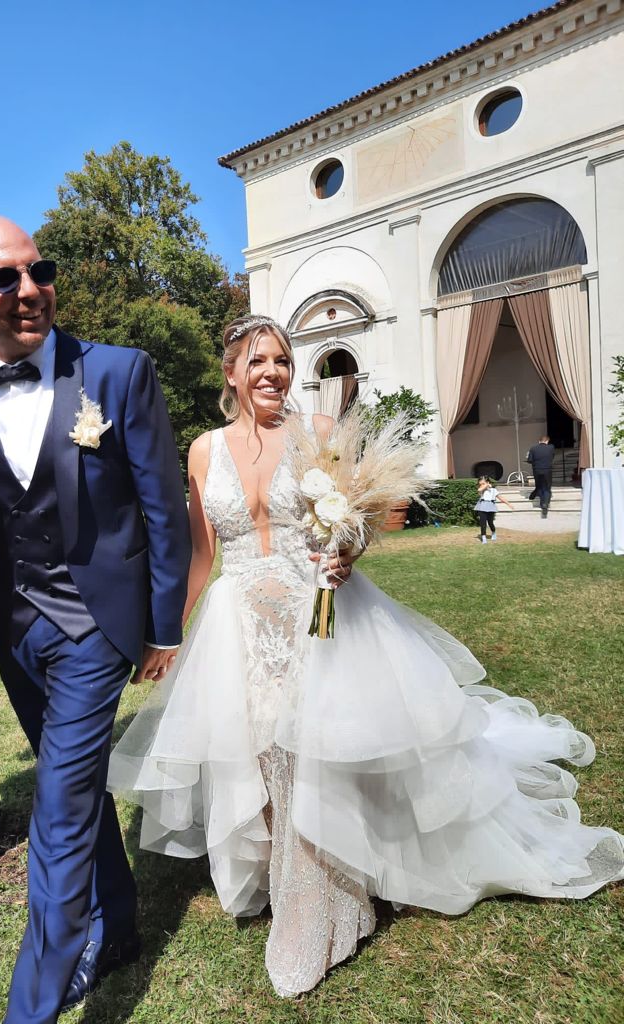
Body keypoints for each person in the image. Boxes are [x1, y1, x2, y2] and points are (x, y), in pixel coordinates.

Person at [108, 314, 624, 998]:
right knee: (261, 750)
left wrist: (347, 552)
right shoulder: (203, 450)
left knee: (310, 749)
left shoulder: (318, 433)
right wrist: (170, 634)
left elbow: (353, 524)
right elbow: (203, 553)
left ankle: (326, 900)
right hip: (239, 624)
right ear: (230, 373)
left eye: (282, 360)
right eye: (257, 361)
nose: (272, 372)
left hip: (317, 612)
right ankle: (282, 874)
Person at [0, 216, 191, 1024]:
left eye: (41, 271)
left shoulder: (118, 371)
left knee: (59, 811)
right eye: (5, 279)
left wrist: (162, 626)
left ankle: (30, 1007)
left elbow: (161, 508)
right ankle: (120, 925)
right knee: (79, 786)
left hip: (96, 625)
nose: (31, 289)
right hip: (15, 632)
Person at [473, 475, 513, 543]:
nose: (481, 485)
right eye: (480, 484)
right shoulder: (481, 489)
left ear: (488, 482)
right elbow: (479, 490)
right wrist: (486, 485)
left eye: (483, 483)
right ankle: (483, 537)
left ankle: (493, 532)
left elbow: (501, 498)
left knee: (490, 522)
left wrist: (509, 504)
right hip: (482, 506)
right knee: (483, 523)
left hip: (491, 506)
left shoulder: (494, 490)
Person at [526, 434, 555, 518]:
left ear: (539, 441)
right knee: (546, 488)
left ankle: (540, 500)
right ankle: (545, 504)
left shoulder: (533, 448)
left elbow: (530, 460)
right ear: (547, 441)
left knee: (540, 487)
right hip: (547, 470)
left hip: (537, 470)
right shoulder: (551, 447)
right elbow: (552, 457)